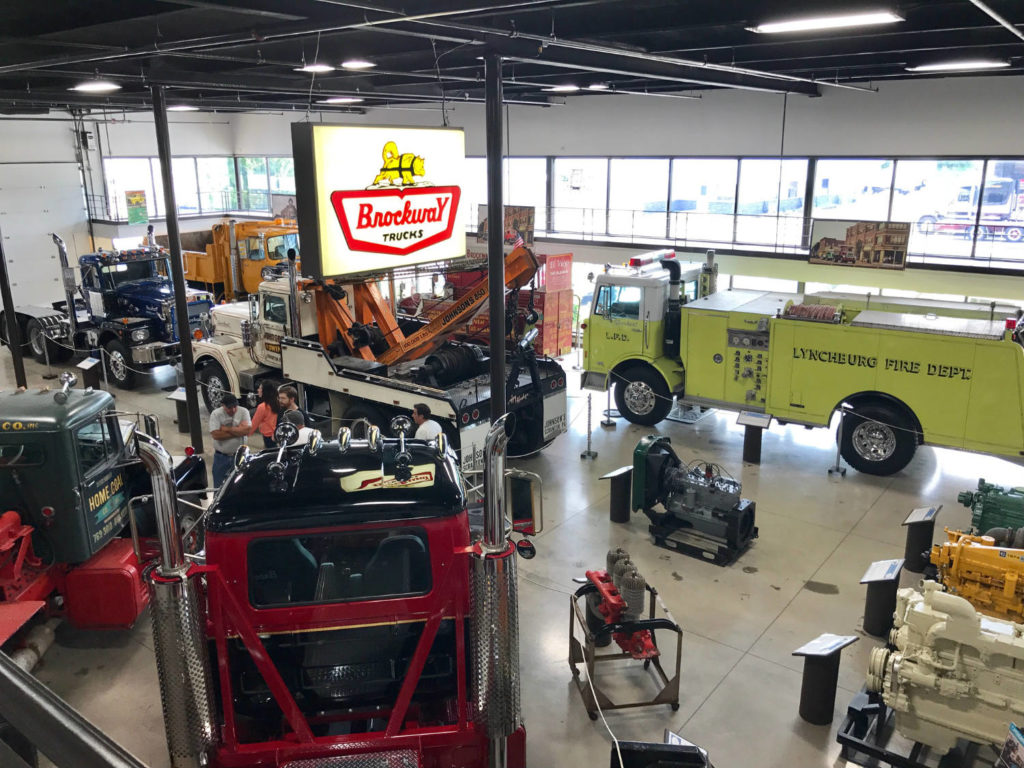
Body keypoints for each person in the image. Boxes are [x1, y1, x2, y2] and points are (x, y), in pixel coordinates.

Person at [209, 393, 250, 487]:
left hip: (240, 456)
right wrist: (238, 431)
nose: (233, 410)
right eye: (230, 408)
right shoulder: (216, 414)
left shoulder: (244, 412)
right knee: (219, 486)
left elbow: (247, 430)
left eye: (235, 406)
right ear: (223, 406)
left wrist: (227, 429)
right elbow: (216, 435)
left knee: (241, 484)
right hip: (221, 458)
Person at [249, 380, 281, 449]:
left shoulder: (262, 407)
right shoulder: (276, 403)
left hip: (268, 437)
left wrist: (245, 435)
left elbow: (254, 424)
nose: (258, 390)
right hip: (275, 434)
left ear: (265, 391)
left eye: (260, 388)